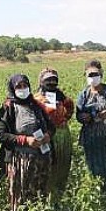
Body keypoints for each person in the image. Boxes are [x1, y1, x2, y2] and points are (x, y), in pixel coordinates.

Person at [0, 74, 54, 211]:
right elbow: (1, 135)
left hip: (40, 157)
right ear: (12, 89)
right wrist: (25, 140)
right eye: (18, 87)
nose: (23, 89)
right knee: (20, 194)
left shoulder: (37, 105)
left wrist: (48, 135)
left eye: (25, 86)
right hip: (20, 159)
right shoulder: (8, 107)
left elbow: (51, 126)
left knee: (38, 192)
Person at [76, 60, 106, 193]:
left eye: (96, 74)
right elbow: (78, 114)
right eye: (90, 74)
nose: (93, 77)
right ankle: (99, 193)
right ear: (85, 75)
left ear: (101, 74)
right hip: (90, 138)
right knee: (94, 166)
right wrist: (83, 117)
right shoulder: (84, 94)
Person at [35, 68, 74, 196]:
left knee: (63, 166)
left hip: (62, 136)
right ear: (41, 81)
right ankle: (46, 196)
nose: (51, 82)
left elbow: (70, 107)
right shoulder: (36, 98)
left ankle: (59, 194)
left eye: (54, 80)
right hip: (47, 137)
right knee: (47, 167)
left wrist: (65, 118)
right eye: (48, 80)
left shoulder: (62, 97)